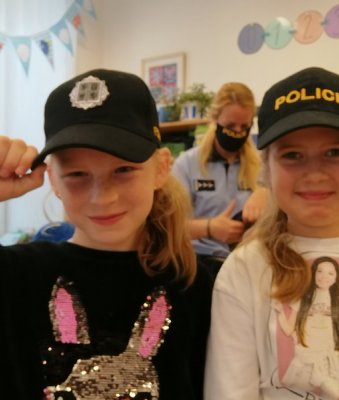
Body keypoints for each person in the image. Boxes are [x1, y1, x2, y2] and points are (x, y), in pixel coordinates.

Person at [0, 69, 212, 400]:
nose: (103, 197)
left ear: (161, 168)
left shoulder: (200, 283)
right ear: (53, 180)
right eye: (77, 174)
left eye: (124, 170)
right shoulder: (15, 276)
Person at [204, 67, 339, 400]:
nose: (315, 173)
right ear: (267, 166)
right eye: (292, 155)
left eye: (334, 153)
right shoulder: (245, 270)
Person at [172, 82, 268, 278]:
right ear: (214, 120)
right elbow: (169, 227)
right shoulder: (186, 164)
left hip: (248, 264)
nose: (237, 132)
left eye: (244, 126)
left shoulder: (262, 166)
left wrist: (266, 192)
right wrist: (209, 228)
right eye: (230, 126)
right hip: (198, 265)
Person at [274, 256, 339, 398]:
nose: (324, 277)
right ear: (314, 273)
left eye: (330, 273)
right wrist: (280, 312)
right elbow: (288, 329)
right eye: (320, 271)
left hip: (328, 361)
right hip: (306, 361)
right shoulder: (303, 296)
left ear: (336, 277)